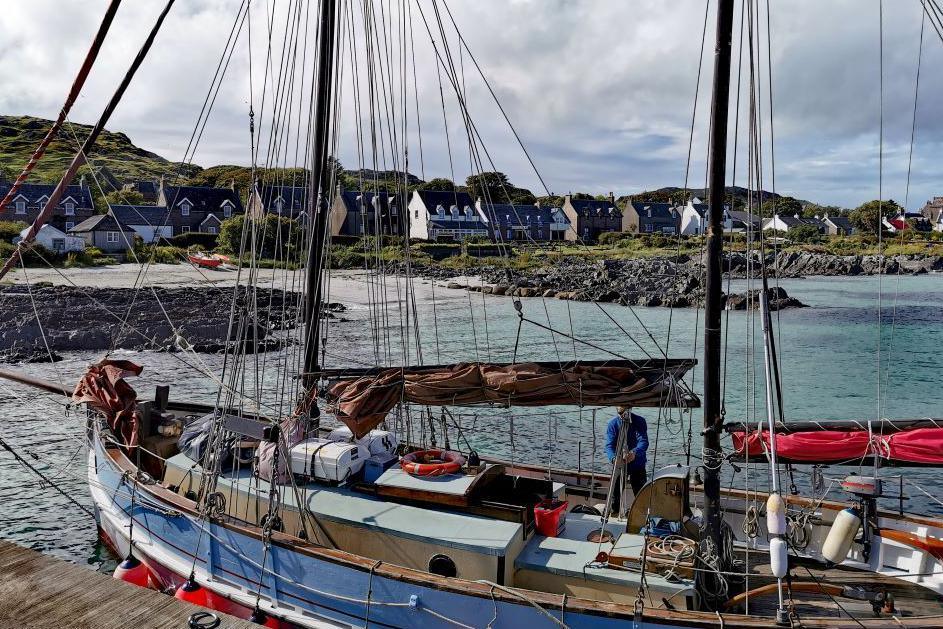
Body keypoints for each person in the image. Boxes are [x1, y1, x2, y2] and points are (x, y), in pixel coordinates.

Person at [605, 406, 649, 514]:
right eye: (620, 412)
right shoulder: (613, 424)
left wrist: (635, 453)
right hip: (619, 464)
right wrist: (613, 458)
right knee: (615, 496)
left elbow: (643, 441)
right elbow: (609, 446)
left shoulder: (639, 421)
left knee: (641, 496)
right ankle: (614, 514)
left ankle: (641, 517)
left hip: (637, 464)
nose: (622, 415)